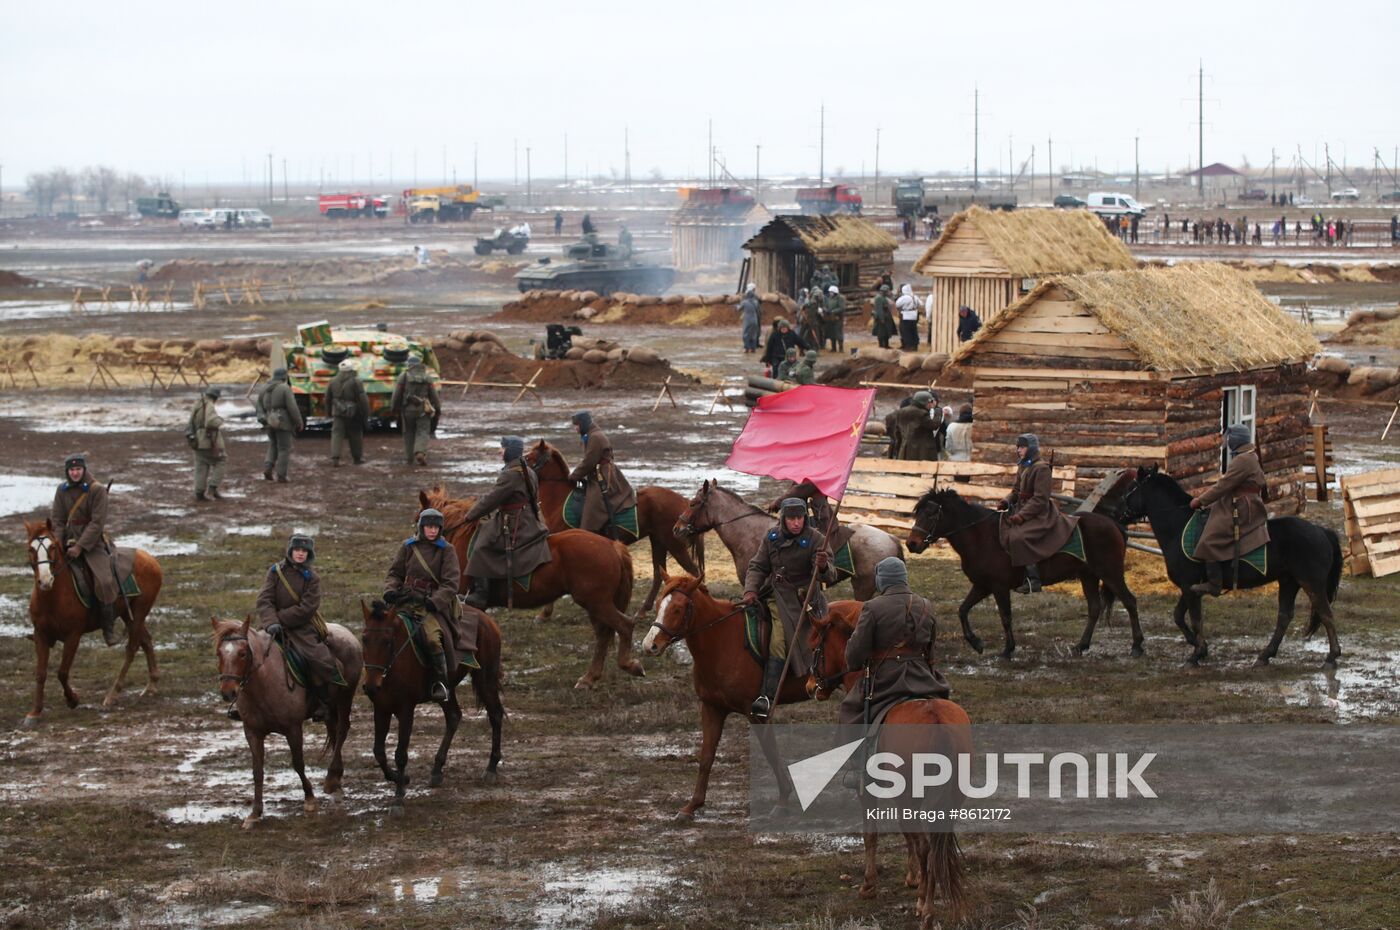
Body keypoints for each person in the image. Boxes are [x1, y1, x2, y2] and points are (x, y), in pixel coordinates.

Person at [742, 498, 839, 720]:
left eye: (800, 518)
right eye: (791, 518)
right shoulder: (771, 538)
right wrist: (750, 590)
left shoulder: (817, 540)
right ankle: (766, 697)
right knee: (777, 640)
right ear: (783, 519)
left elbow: (831, 575)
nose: (796, 523)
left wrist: (823, 566)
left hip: (807, 600)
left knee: (826, 640)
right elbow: (758, 566)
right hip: (778, 597)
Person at [838, 557, 950, 727]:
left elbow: (854, 656)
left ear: (881, 580)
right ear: (903, 578)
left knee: (850, 710)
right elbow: (931, 651)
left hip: (887, 681)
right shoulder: (926, 605)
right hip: (923, 678)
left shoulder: (872, 607)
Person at [254, 534, 347, 723]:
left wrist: (279, 619)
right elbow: (264, 599)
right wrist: (271, 622)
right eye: (297, 550)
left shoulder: (312, 578)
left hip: (301, 628)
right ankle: (247, 705)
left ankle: (322, 702)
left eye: (304, 551)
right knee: (249, 654)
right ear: (290, 551)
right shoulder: (275, 572)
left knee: (319, 659)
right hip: (271, 626)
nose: (300, 554)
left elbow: (307, 608)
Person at [463, 437, 553, 608]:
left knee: (481, 545)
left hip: (515, 521)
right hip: (528, 518)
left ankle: (480, 595)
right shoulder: (527, 470)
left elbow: (492, 499)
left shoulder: (511, 474)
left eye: (502, 448)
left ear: (510, 451)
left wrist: (470, 515)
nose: (499, 451)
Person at [383, 508, 462, 701]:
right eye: (428, 527)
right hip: (406, 600)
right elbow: (395, 573)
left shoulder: (447, 550)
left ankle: (440, 683)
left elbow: (451, 583)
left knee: (434, 640)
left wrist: (435, 601)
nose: (432, 531)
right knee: (381, 631)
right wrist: (390, 590)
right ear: (421, 527)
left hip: (430, 605)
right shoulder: (408, 546)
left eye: (436, 527)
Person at [1189, 426, 1270, 597]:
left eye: (1228, 438)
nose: (1226, 442)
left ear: (1236, 439)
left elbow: (1223, 485)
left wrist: (1200, 500)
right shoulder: (1248, 455)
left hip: (1243, 506)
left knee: (1209, 539)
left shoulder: (1243, 460)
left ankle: (1214, 584)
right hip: (1241, 501)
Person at [51, 454, 121, 646]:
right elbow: (57, 519)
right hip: (66, 542)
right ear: (67, 472)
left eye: (78, 470)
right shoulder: (61, 490)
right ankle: (46, 627)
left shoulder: (96, 490)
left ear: (84, 470)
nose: (75, 473)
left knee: (105, 582)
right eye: (71, 470)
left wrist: (80, 546)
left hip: (93, 544)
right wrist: (58, 543)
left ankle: (108, 628)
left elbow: (97, 523)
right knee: (47, 575)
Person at [998, 433, 1077, 594]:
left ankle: (1033, 579)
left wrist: (1022, 516)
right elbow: (1016, 491)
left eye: (1022, 447)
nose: (1018, 450)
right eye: (1018, 447)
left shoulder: (1041, 469)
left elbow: (1040, 499)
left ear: (1031, 448)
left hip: (1040, 514)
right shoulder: (1023, 465)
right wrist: (1006, 501)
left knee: (1020, 537)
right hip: (1021, 508)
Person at [567, 410, 637, 539]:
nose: (575, 428)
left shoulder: (595, 437)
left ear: (583, 424)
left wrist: (573, 476)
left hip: (603, 475)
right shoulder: (590, 435)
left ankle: (589, 532)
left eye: (577, 425)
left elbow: (589, 461)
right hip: (597, 472)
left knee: (593, 503)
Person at [390, 355, 440, 466]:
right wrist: (438, 409)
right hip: (424, 410)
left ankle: (409, 458)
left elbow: (396, 394)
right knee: (422, 432)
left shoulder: (403, 377)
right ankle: (420, 452)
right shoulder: (427, 377)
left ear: (409, 365)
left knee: (408, 433)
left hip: (407, 410)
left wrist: (393, 408)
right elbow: (434, 396)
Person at [255, 367, 303, 483]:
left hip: (268, 421)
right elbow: (293, 408)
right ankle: (281, 475)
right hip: (283, 422)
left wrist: (264, 420)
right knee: (284, 448)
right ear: (284, 377)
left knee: (273, 445)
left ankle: (268, 468)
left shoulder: (264, 388)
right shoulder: (285, 388)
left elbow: (259, 406)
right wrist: (299, 422)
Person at [326, 358, 369, 467]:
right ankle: (357, 458)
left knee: (337, 434)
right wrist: (365, 413)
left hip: (338, 411)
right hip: (353, 412)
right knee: (355, 434)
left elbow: (327, 398)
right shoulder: (356, 381)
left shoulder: (333, 381)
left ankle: (335, 458)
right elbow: (363, 398)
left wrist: (328, 413)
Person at [186, 387, 226, 502]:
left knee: (201, 465)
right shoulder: (209, 405)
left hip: (196, 440)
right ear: (215, 397)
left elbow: (190, 423)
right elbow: (211, 422)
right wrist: (220, 420)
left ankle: (199, 492)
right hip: (208, 440)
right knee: (221, 461)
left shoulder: (197, 404)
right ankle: (213, 488)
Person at [893, 391, 943, 461]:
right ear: (924, 402)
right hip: (921, 452)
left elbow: (897, 432)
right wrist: (937, 411)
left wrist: (898, 448)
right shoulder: (921, 413)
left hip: (904, 449)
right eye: (930, 402)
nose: (931, 404)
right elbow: (934, 425)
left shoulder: (901, 412)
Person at [870, 284, 896, 349]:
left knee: (886, 331)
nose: (888, 292)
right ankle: (881, 345)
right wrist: (881, 318)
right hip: (882, 317)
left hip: (886, 316)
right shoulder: (879, 298)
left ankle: (886, 344)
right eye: (887, 291)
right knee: (881, 332)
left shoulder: (884, 297)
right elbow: (879, 309)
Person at [738, 283, 761, 354]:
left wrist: (735, 306)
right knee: (754, 334)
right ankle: (753, 349)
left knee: (746, 334)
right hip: (755, 319)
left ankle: (747, 348)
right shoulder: (756, 302)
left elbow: (739, 309)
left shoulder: (744, 302)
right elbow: (758, 310)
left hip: (747, 320)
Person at [822, 284, 846, 353]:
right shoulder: (829, 298)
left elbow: (842, 308)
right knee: (831, 333)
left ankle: (841, 348)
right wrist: (825, 309)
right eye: (830, 292)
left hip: (838, 318)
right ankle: (833, 348)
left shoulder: (840, 298)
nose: (830, 293)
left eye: (831, 292)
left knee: (838, 333)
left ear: (835, 292)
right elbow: (826, 306)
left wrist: (833, 311)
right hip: (830, 318)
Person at [895, 284, 920, 350]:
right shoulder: (915, 297)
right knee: (913, 331)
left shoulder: (904, 297)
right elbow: (921, 304)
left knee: (905, 331)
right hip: (914, 315)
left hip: (906, 315)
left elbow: (897, 304)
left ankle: (907, 346)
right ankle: (915, 346)